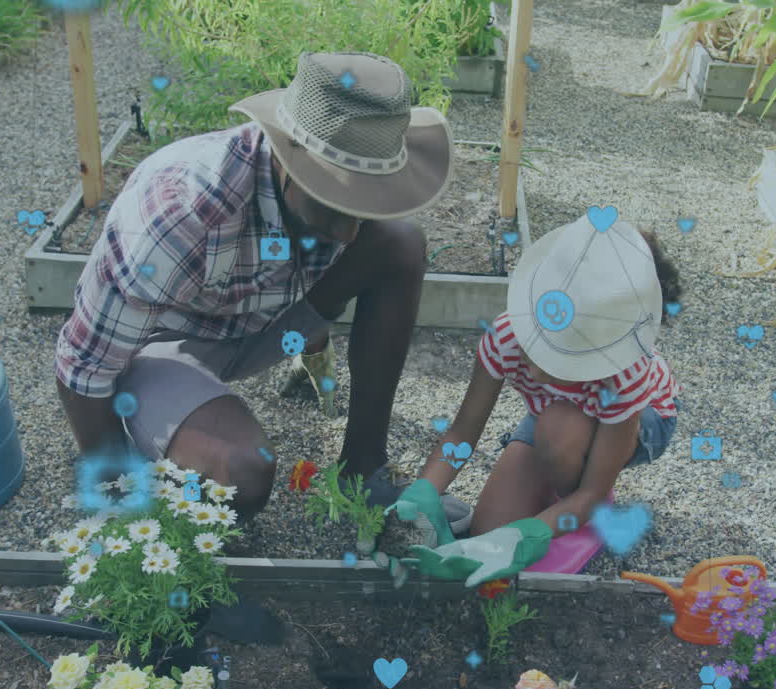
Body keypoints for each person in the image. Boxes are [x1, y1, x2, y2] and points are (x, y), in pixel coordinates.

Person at [53, 51, 473, 528]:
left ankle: (363, 470)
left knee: (398, 243)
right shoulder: (180, 219)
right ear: (287, 159)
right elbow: (81, 367)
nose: (348, 233)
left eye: (363, 206)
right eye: (335, 203)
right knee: (242, 474)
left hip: (252, 319)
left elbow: (326, 240)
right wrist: (118, 494)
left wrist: (315, 334)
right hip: (158, 349)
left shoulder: (326, 213)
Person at [383, 212, 684, 587]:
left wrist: (540, 527)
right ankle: (561, 490)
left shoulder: (624, 373)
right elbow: (462, 433)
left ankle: (579, 502)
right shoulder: (506, 336)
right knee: (484, 536)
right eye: (536, 347)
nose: (538, 371)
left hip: (642, 421)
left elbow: (587, 483)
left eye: (558, 360)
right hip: (552, 419)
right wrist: (426, 489)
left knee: (561, 430)